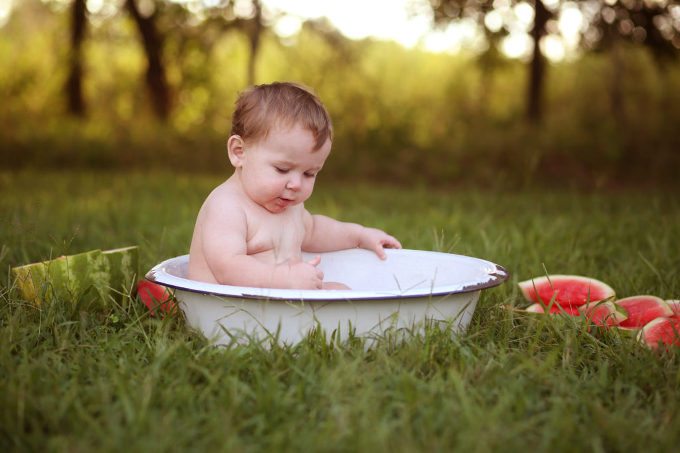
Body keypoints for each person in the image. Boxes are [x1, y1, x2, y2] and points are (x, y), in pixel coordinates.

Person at [188, 82, 401, 289]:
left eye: (310, 173)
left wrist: (360, 236)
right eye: (282, 169)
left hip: (277, 303)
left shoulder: (290, 207)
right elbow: (227, 267)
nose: (296, 184)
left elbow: (315, 230)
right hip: (227, 309)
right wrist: (283, 279)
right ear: (239, 152)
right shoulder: (227, 206)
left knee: (340, 290)